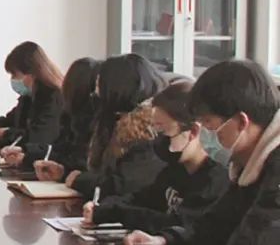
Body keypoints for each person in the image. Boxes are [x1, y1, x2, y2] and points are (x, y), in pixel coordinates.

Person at [123, 60, 280, 245]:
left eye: (208, 123)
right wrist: (164, 242)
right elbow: (213, 228)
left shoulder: (274, 171)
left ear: (241, 122)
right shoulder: (247, 164)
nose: (202, 133)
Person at [83, 80, 228, 232]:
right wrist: (104, 207)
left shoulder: (214, 182)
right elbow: (141, 199)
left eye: (164, 132)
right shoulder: (175, 171)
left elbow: (176, 225)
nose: (159, 140)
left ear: (193, 132)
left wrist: (117, 212)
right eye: (156, 131)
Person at [65, 54, 167, 199]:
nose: (96, 94)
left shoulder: (150, 130)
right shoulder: (113, 121)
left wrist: (80, 180)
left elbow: (123, 184)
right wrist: (64, 173)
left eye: (100, 87)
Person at [0, 41, 64, 151]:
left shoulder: (52, 97)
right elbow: (10, 121)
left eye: (14, 74)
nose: (12, 79)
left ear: (31, 73)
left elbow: (37, 137)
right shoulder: (28, 97)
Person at [26, 57, 101, 177]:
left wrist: (63, 171)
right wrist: (27, 155)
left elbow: (81, 160)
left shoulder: (98, 120)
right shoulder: (70, 113)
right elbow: (61, 148)